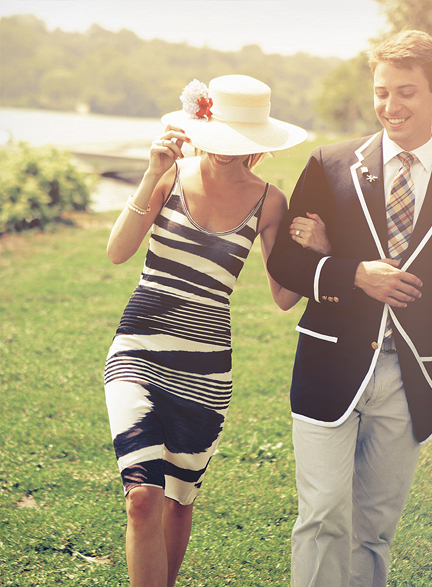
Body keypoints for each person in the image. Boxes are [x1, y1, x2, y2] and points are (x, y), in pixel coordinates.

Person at [267, 30, 432, 587]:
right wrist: (353, 274)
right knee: (322, 516)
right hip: (328, 366)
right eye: (381, 93)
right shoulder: (329, 165)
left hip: (413, 377)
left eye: (405, 92)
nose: (390, 106)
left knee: (374, 529)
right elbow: (283, 265)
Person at [104, 75, 309, 587]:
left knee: (178, 500)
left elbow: (284, 298)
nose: (223, 150)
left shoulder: (270, 202)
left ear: (257, 144)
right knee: (143, 498)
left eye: (236, 140)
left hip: (205, 372)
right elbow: (118, 251)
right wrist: (151, 175)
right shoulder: (170, 175)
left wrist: (312, 251)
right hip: (138, 349)